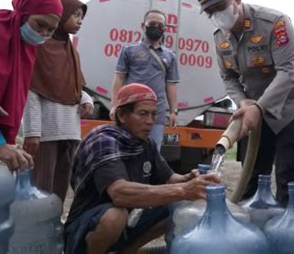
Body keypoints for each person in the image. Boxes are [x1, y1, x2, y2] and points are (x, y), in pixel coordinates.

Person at [193, 0, 294, 205]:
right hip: (254, 109)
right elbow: (228, 76)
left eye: (220, 7)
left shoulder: (275, 23)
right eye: (210, 12)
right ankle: (248, 225)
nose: (216, 16)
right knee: (253, 172)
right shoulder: (220, 38)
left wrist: (259, 108)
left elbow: (289, 70)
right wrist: (243, 102)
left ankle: (288, 226)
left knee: (288, 172)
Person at [64, 83, 220, 254]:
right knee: (115, 216)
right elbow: (120, 194)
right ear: (122, 115)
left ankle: (127, 251)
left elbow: (168, 178)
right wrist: (184, 189)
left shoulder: (144, 143)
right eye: (143, 114)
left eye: (154, 115)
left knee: (179, 205)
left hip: (124, 225)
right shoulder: (104, 141)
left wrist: (189, 179)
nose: (150, 122)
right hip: (85, 228)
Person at [22, 0, 94, 202]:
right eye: (75, 15)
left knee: (61, 185)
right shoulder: (41, 46)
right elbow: (32, 89)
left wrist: (86, 100)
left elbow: (75, 86)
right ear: (60, 16)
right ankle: (36, 229)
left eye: (82, 17)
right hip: (47, 131)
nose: (80, 20)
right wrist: (33, 132)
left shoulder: (71, 51)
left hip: (69, 129)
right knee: (40, 185)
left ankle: (53, 226)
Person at [0, 0, 63, 172]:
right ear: (25, 13)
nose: (43, 34)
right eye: (40, 24)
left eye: (50, 30)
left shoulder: (25, 51)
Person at [111, 9, 179, 151]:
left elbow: (170, 84)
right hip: (131, 111)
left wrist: (174, 111)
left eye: (160, 25)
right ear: (143, 26)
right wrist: (114, 105)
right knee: (125, 151)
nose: (156, 27)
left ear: (165, 29)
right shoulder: (129, 50)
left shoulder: (170, 56)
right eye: (152, 23)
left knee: (152, 153)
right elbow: (119, 78)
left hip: (156, 113)